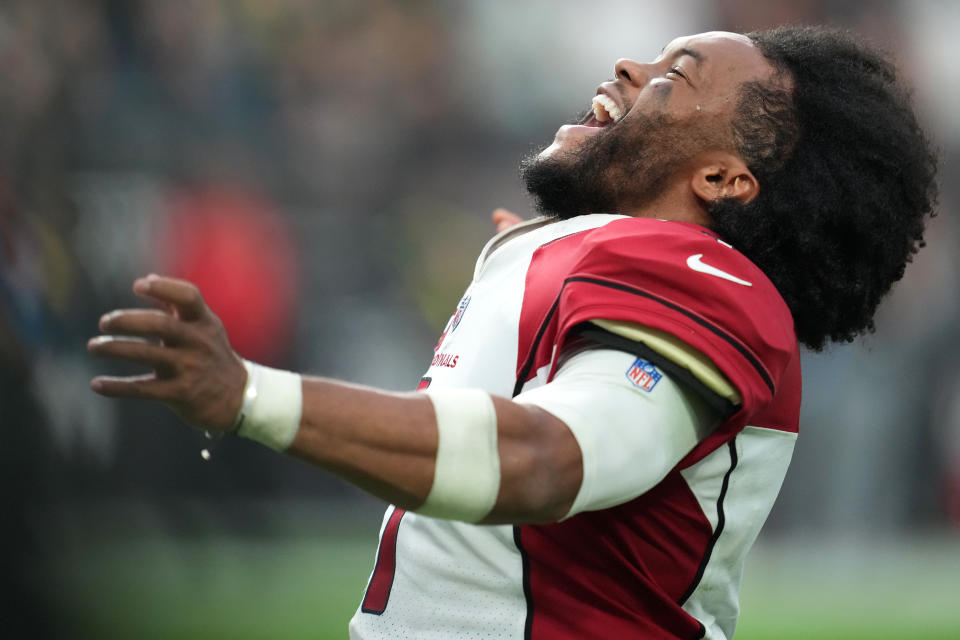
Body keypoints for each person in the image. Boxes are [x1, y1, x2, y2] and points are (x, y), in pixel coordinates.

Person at [88, 25, 937, 640]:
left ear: (721, 176)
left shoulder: (703, 283)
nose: (629, 66)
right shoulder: (601, 255)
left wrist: (249, 395)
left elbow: (545, 461)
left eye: (675, 76)